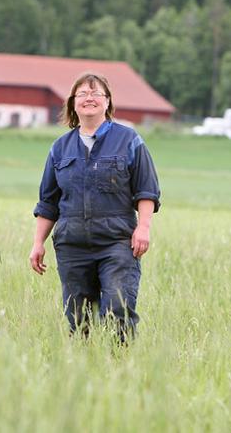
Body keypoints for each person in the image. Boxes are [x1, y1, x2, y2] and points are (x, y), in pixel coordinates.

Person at [29, 72, 160, 341]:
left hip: (117, 242)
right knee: (77, 319)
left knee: (117, 309)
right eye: (82, 94)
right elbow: (48, 202)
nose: (89, 98)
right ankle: (82, 369)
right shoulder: (60, 148)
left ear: (108, 102)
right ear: (73, 104)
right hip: (72, 244)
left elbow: (146, 190)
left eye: (96, 93)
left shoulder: (129, 141)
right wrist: (38, 242)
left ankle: (119, 368)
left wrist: (143, 228)